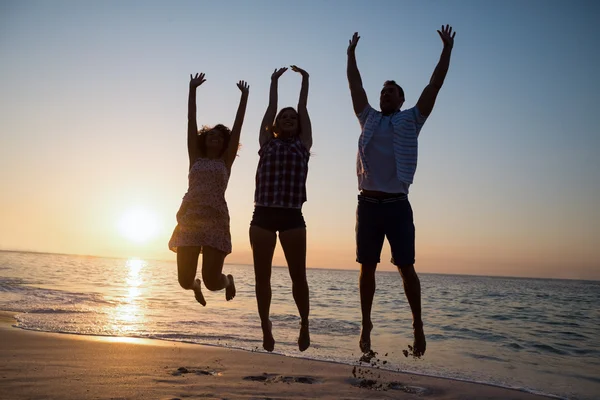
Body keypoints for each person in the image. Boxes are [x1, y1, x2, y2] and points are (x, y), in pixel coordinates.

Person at [346, 25, 456, 357]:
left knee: (405, 267)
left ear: (402, 99)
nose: (385, 95)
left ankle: (418, 326)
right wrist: (350, 55)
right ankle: (366, 325)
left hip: (397, 206)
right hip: (367, 204)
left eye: (391, 92)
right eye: (383, 92)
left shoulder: (412, 119)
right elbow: (355, 85)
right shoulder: (368, 118)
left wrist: (446, 50)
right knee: (367, 267)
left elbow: (434, 84)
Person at [169, 72, 249, 307]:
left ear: (224, 142)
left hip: (215, 219)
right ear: (203, 140)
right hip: (190, 217)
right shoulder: (195, 157)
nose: (213, 136)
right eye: (209, 134)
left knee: (213, 282)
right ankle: (194, 287)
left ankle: (229, 280)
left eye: (218, 135)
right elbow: (190, 121)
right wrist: (192, 90)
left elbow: (238, 127)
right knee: (184, 281)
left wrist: (244, 98)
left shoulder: (226, 161)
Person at [250, 66, 312, 352]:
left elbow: (302, 106)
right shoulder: (266, 143)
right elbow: (270, 107)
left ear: (298, 126)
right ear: (275, 125)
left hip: (291, 216)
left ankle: (304, 323)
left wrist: (305, 81)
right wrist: (273, 81)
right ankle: (266, 326)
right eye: (283, 117)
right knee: (263, 277)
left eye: (293, 118)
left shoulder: (303, 145)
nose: (288, 118)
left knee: (297, 275)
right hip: (262, 215)